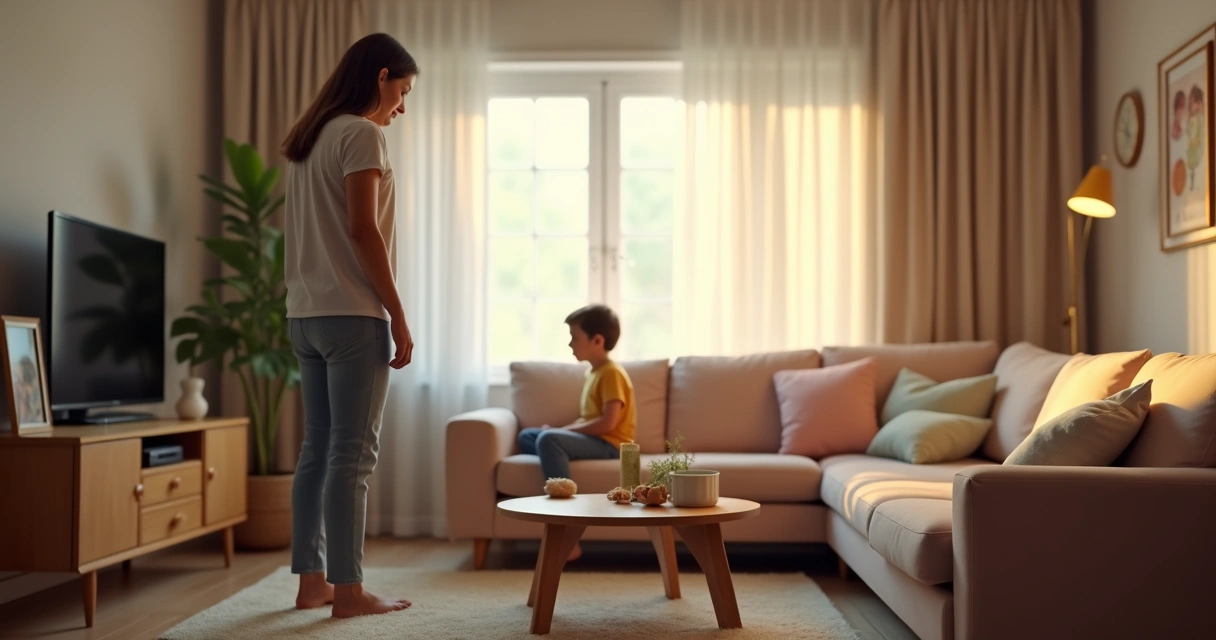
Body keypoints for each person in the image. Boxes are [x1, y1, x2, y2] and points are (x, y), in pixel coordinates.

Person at [279, 32, 418, 618]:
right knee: (352, 456)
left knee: (317, 451)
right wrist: (400, 316)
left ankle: (313, 584)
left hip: (304, 317)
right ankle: (350, 593)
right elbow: (365, 231)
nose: (401, 107)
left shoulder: (309, 140)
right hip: (352, 317)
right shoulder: (362, 134)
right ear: (381, 76)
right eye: (402, 91)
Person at [517, 304, 636, 562]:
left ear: (597, 340)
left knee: (548, 439)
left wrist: (559, 433)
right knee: (528, 435)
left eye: (574, 337)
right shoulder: (593, 373)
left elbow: (607, 423)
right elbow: (589, 419)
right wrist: (560, 433)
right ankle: (555, 452)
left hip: (611, 444)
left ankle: (568, 535)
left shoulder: (612, 373)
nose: (570, 344)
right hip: (594, 439)